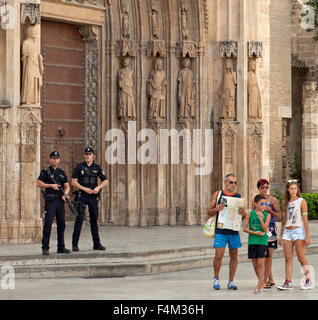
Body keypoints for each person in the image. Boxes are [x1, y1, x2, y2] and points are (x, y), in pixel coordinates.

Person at [208, 173, 246, 290]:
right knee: (219, 254)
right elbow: (209, 212)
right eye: (231, 182)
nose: (233, 185)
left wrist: (243, 213)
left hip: (233, 230)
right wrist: (216, 209)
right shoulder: (218, 194)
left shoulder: (238, 196)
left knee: (234, 255)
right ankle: (216, 278)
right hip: (221, 229)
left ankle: (231, 281)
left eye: (235, 183)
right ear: (225, 182)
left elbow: (243, 217)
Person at [277, 180, 313, 290]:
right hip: (287, 232)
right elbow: (284, 220)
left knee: (301, 257)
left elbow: (305, 220)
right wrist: (280, 235)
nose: (293, 191)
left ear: (297, 190)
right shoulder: (285, 202)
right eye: (291, 188)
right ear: (288, 189)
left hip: (298, 231)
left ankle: (309, 279)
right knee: (288, 258)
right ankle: (288, 282)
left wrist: (307, 236)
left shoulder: (302, 201)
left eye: (295, 188)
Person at [71, 147, 108, 251]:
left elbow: (105, 181)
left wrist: (98, 188)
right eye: (86, 154)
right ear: (84, 155)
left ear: (93, 156)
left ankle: (96, 244)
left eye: (90, 154)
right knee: (79, 220)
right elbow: (74, 182)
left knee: (94, 221)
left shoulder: (97, 167)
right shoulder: (79, 167)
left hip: (93, 197)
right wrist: (84, 189)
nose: (88, 156)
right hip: (82, 196)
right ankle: (75, 244)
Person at [37, 151, 71, 255]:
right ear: (50, 159)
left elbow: (67, 186)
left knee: (62, 224)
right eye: (53, 158)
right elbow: (39, 183)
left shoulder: (62, 173)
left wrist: (65, 194)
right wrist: (51, 186)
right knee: (48, 224)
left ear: (59, 160)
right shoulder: (45, 172)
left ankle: (61, 247)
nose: (55, 160)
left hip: (60, 201)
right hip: (50, 201)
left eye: (57, 158)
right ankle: (45, 247)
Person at [254, 179, 281, 289]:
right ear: (259, 188)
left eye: (266, 187)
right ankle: (271, 279)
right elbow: (253, 215)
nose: (264, 189)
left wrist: (270, 211)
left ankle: (265, 280)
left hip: (270, 229)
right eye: (262, 187)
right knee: (262, 255)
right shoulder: (256, 200)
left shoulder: (273, 200)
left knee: (268, 256)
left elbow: (279, 215)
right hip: (260, 229)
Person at [244, 195, 271, 294]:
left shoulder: (267, 215)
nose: (264, 206)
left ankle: (260, 284)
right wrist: (255, 233)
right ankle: (261, 281)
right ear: (256, 204)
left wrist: (261, 219)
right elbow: (245, 228)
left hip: (262, 241)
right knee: (255, 264)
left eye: (265, 203)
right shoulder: (250, 214)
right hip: (252, 241)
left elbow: (265, 229)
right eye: (262, 203)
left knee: (261, 263)